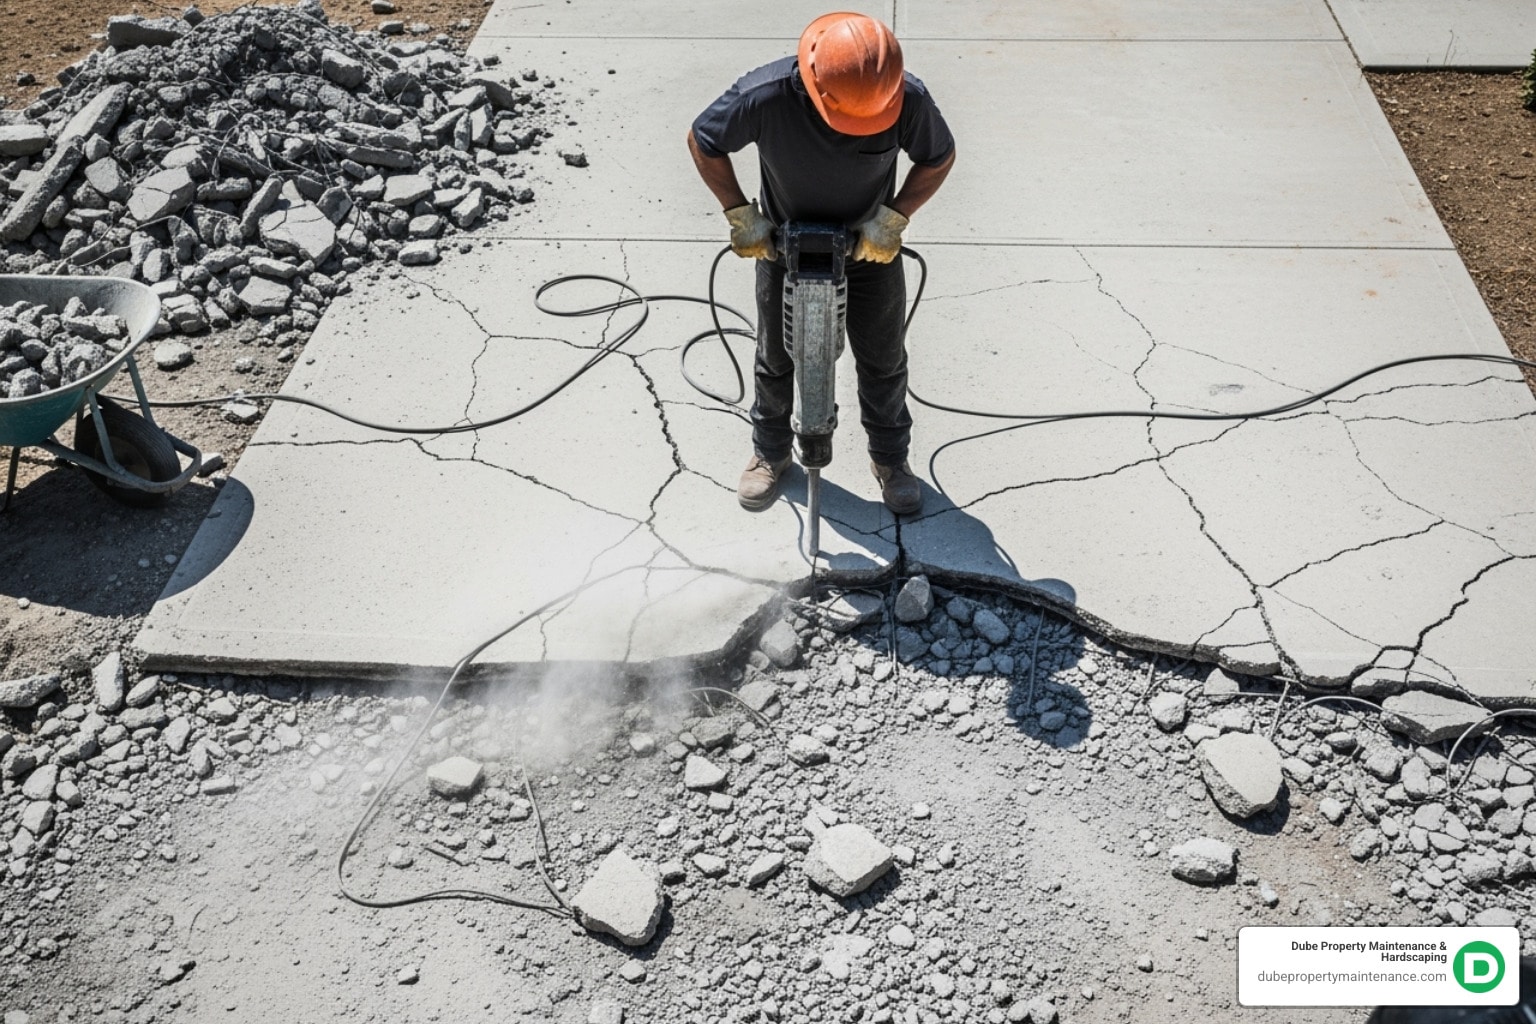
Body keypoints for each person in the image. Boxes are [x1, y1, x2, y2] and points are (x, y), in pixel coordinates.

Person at [687, 11, 956, 515]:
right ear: (814, 85)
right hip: (783, 247)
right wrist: (741, 214)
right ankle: (770, 453)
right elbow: (704, 140)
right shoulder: (763, 96)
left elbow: (938, 157)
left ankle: (890, 460)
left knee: (883, 359)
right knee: (775, 357)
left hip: (868, 250)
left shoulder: (905, 98)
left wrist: (893, 218)